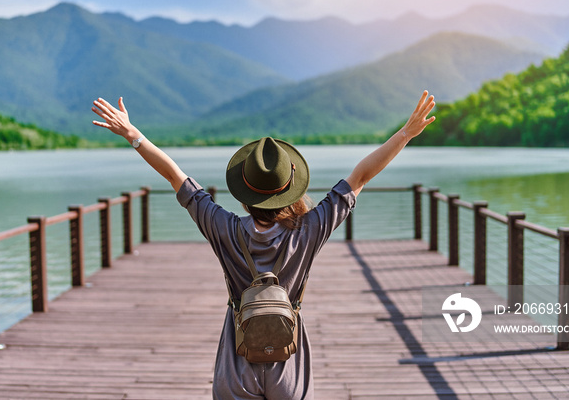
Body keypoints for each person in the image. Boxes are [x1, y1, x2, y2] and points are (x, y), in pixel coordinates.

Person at [92, 91, 435, 399]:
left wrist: (133, 135)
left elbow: (175, 176)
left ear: (245, 195)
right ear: (291, 187)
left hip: (236, 364)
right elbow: (359, 177)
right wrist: (405, 134)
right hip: (290, 365)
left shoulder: (223, 227)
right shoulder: (309, 229)